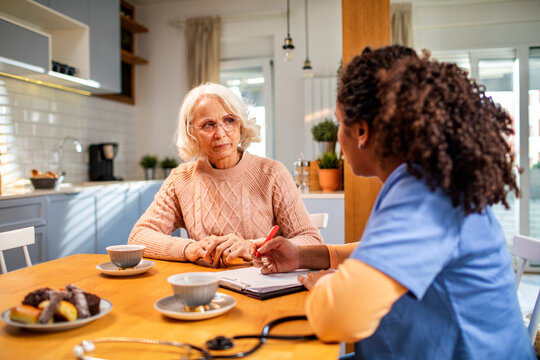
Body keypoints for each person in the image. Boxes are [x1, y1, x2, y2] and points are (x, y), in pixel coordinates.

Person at [253, 45, 535, 359]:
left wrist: (322, 285)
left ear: (361, 130)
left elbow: (339, 317)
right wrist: (304, 256)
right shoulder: (428, 179)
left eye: (338, 123)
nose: (337, 139)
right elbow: (378, 251)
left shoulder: (424, 194)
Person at [129, 83, 322, 267]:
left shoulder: (272, 173)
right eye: (208, 124)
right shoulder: (181, 179)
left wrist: (252, 246)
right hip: (205, 284)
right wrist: (188, 248)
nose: (221, 133)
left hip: (261, 284)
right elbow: (139, 236)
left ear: (240, 125)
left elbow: (311, 239)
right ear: (191, 133)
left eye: (229, 120)